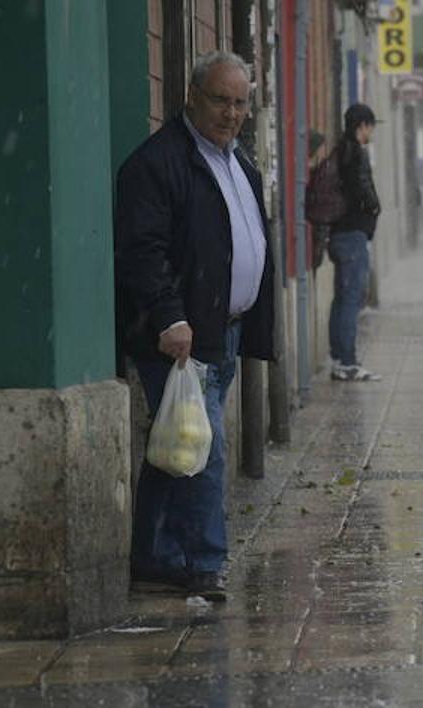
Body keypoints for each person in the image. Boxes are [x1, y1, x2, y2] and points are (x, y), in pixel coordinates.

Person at [114, 50, 275, 601]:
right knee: (203, 446)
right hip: (181, 336)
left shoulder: (238, 161)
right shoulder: (158, 162)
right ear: (191, 96)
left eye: (240, 103)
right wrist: (170, 316)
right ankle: (206, 563)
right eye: (220, 100)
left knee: (177, 445)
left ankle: (154, 557)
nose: (231, 113)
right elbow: (142, 251)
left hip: (224, 328)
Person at [329, 103, 382, 382]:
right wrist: (374, 207)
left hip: (340, 233)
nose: (371, 131)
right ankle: (348, 363)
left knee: (342, 298)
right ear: (362, 125)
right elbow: (361, 188)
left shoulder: (340, 150)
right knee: (351, 300)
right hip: (352, 235)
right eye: (370, 126)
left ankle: (339, 359)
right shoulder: (355, 152)